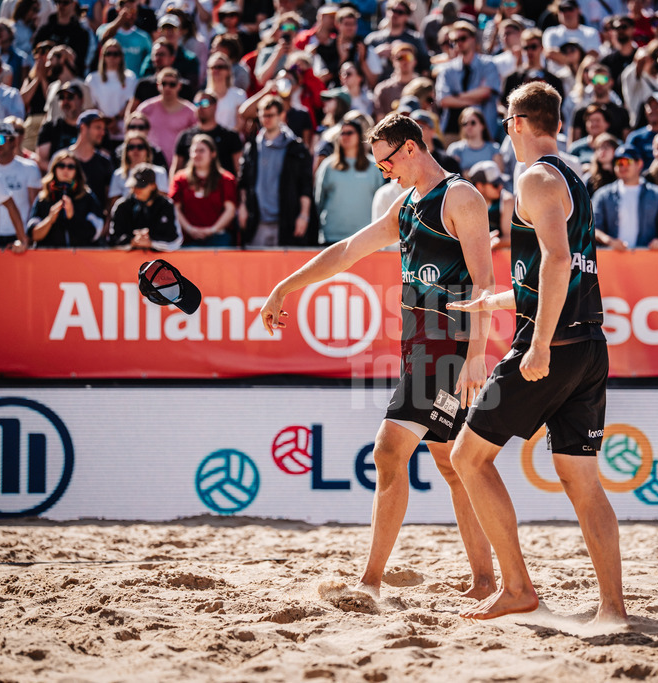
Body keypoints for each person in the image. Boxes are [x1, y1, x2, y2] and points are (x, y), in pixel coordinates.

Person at [259, 113, 497, 602]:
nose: (383, 171)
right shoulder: (406, 203)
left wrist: (476, 354)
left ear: (411, 148)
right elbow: (347, 250)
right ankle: (486, 580)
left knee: (388, 452)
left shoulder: (460, 196)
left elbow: (484, 283)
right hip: (419, 346)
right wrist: (285, 286)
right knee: (454, 466)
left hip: (446, 349)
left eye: (386, 161)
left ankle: (369, 581)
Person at [444, 82, 627, 624]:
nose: (505, 129)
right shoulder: (572, 177)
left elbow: (558, 262)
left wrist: (540, 343)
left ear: (517, 123)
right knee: (581, 480)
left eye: (506, 120)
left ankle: (518, 588)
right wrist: (492, 302)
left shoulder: (535, 177)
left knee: (467, 457)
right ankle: (612, 609)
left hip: (554, 345)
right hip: (588, 345)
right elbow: (555, 277)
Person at [238, 95, 318, 247]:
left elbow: (305, 186)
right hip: (257, 221)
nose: (266, 119)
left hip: (286, 220)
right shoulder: (252, 148)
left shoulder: (296, 148)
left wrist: (304, 215)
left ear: (281, 115)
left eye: (270, 115)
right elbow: (244, 182)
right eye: (263, 115)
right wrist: (243, 206)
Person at [591, 144, 658, 250]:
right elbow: (593, 227)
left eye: (626, 162)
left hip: (645, 257)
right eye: (618, 163)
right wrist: (609, 241)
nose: (622, 166)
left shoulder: (657, 194)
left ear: (639, 164)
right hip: (613, 257)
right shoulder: (602, 195)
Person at [314, 119, 385, 244]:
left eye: (349, 133)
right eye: (342, 133)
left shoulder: (374, 166)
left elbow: (380, 200)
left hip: (365, 237)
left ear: (359, 136)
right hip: (332, 236)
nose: (345, 136)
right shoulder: (328, 166)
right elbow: (319, 200)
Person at [435, 21, 502, 142]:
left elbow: (485, 93)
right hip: (452, 130)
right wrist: (472, 99)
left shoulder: (488, 65)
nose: (459, 43)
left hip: (483, 133)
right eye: (454, 41)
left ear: (473, 39)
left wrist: (457, 96)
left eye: (463, 38)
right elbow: (443, 100)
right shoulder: (447, 70)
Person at [0, 120, 42, 247]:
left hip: (19, 236)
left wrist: (28, 236)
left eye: (1, 139)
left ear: (14, 141)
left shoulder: (29, 168)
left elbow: (35, 205)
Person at [170, 133, 237, 247]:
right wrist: (190, 229)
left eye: (201, 151)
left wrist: (212, 230)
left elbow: (230, 210)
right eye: (194, 151)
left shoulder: (226, 179)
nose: (197, 155)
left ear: (213, 153)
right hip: (188, 238)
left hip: (218, 238)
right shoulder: (180, 179)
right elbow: (175, 208)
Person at [27, 150, 105, 247]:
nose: (66, 170)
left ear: (77, 171)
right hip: (49, 255)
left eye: (71, 167)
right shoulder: (43, 198)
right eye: (61, 165)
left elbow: (95, 234)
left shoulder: (87, 196)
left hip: (79, 255)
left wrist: (72, 217)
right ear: (54, 169)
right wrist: (50, 220)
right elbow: (33, 236)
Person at [109, 163, 183, 251]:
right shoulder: (122, 205)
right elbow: (113, 239)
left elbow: (175, 240)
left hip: (159, 258)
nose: (136, 189)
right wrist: (132, 241)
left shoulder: (166, 205)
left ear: (153, 186)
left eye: (141, 186)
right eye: (134, 185)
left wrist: (151, 242)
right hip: (126, 258)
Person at [85, 38, 137, 143]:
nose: (112, 57)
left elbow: (131, 102)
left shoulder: (130, 77)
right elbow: (91, 105)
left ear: (121, 56)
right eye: (108, 54)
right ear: (103, 56)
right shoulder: (92, 78)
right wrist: (106, 122)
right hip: (100, 131)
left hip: (122, 130)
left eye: (116, 54)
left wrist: (115, 120)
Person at [107, 131, 168, 212]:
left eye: (140, 147)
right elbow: (114, 204)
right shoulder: (118, 174)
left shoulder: (160, 172)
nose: (135, 150)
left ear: (147, 150)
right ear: (126, 151)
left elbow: (162, 201)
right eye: (131, 147)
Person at [69, 110, 115, 214]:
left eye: (104, 129)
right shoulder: (62, 159)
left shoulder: (105, 161)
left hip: (96, 220)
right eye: (98, 128)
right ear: (83, 128)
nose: (103, 133)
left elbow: (109, 198)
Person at [31, 0, 91, 73]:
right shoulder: (45, 30)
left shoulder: (81, 34)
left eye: (65, 2)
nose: (61, 6)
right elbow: (35, 53)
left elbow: (78, 62)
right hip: (44, 72)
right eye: (58, 2)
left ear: (74, 4)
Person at [467, 159, 513, 249]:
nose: (501, 187)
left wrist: (488, 243)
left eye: (501, 182)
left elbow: (510, 238)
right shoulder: (467, 203)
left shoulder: (506, 200)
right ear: (480, 186)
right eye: (495, 185)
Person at [37, 82, 83, 171]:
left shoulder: (90, 127)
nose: (65, 102)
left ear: (81, 100)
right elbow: (41, 160)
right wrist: (63, 172)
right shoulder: (49, 127)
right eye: (61, 98)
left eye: (70, 97)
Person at [447, 107, 503, 171]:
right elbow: (452, 174)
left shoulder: (494, 148)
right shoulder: (455, 149)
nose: (468, 126)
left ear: (482, 125)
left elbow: (499, 173)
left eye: (473, 123)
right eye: (465, 123)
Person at [204, 53, 246, 131]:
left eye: (220, 67)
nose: (216, 70)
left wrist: (226, 137)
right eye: (213, 67)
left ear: (228, 71)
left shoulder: (239, 95)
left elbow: (241, 123)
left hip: (233, 137)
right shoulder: (203, 97)